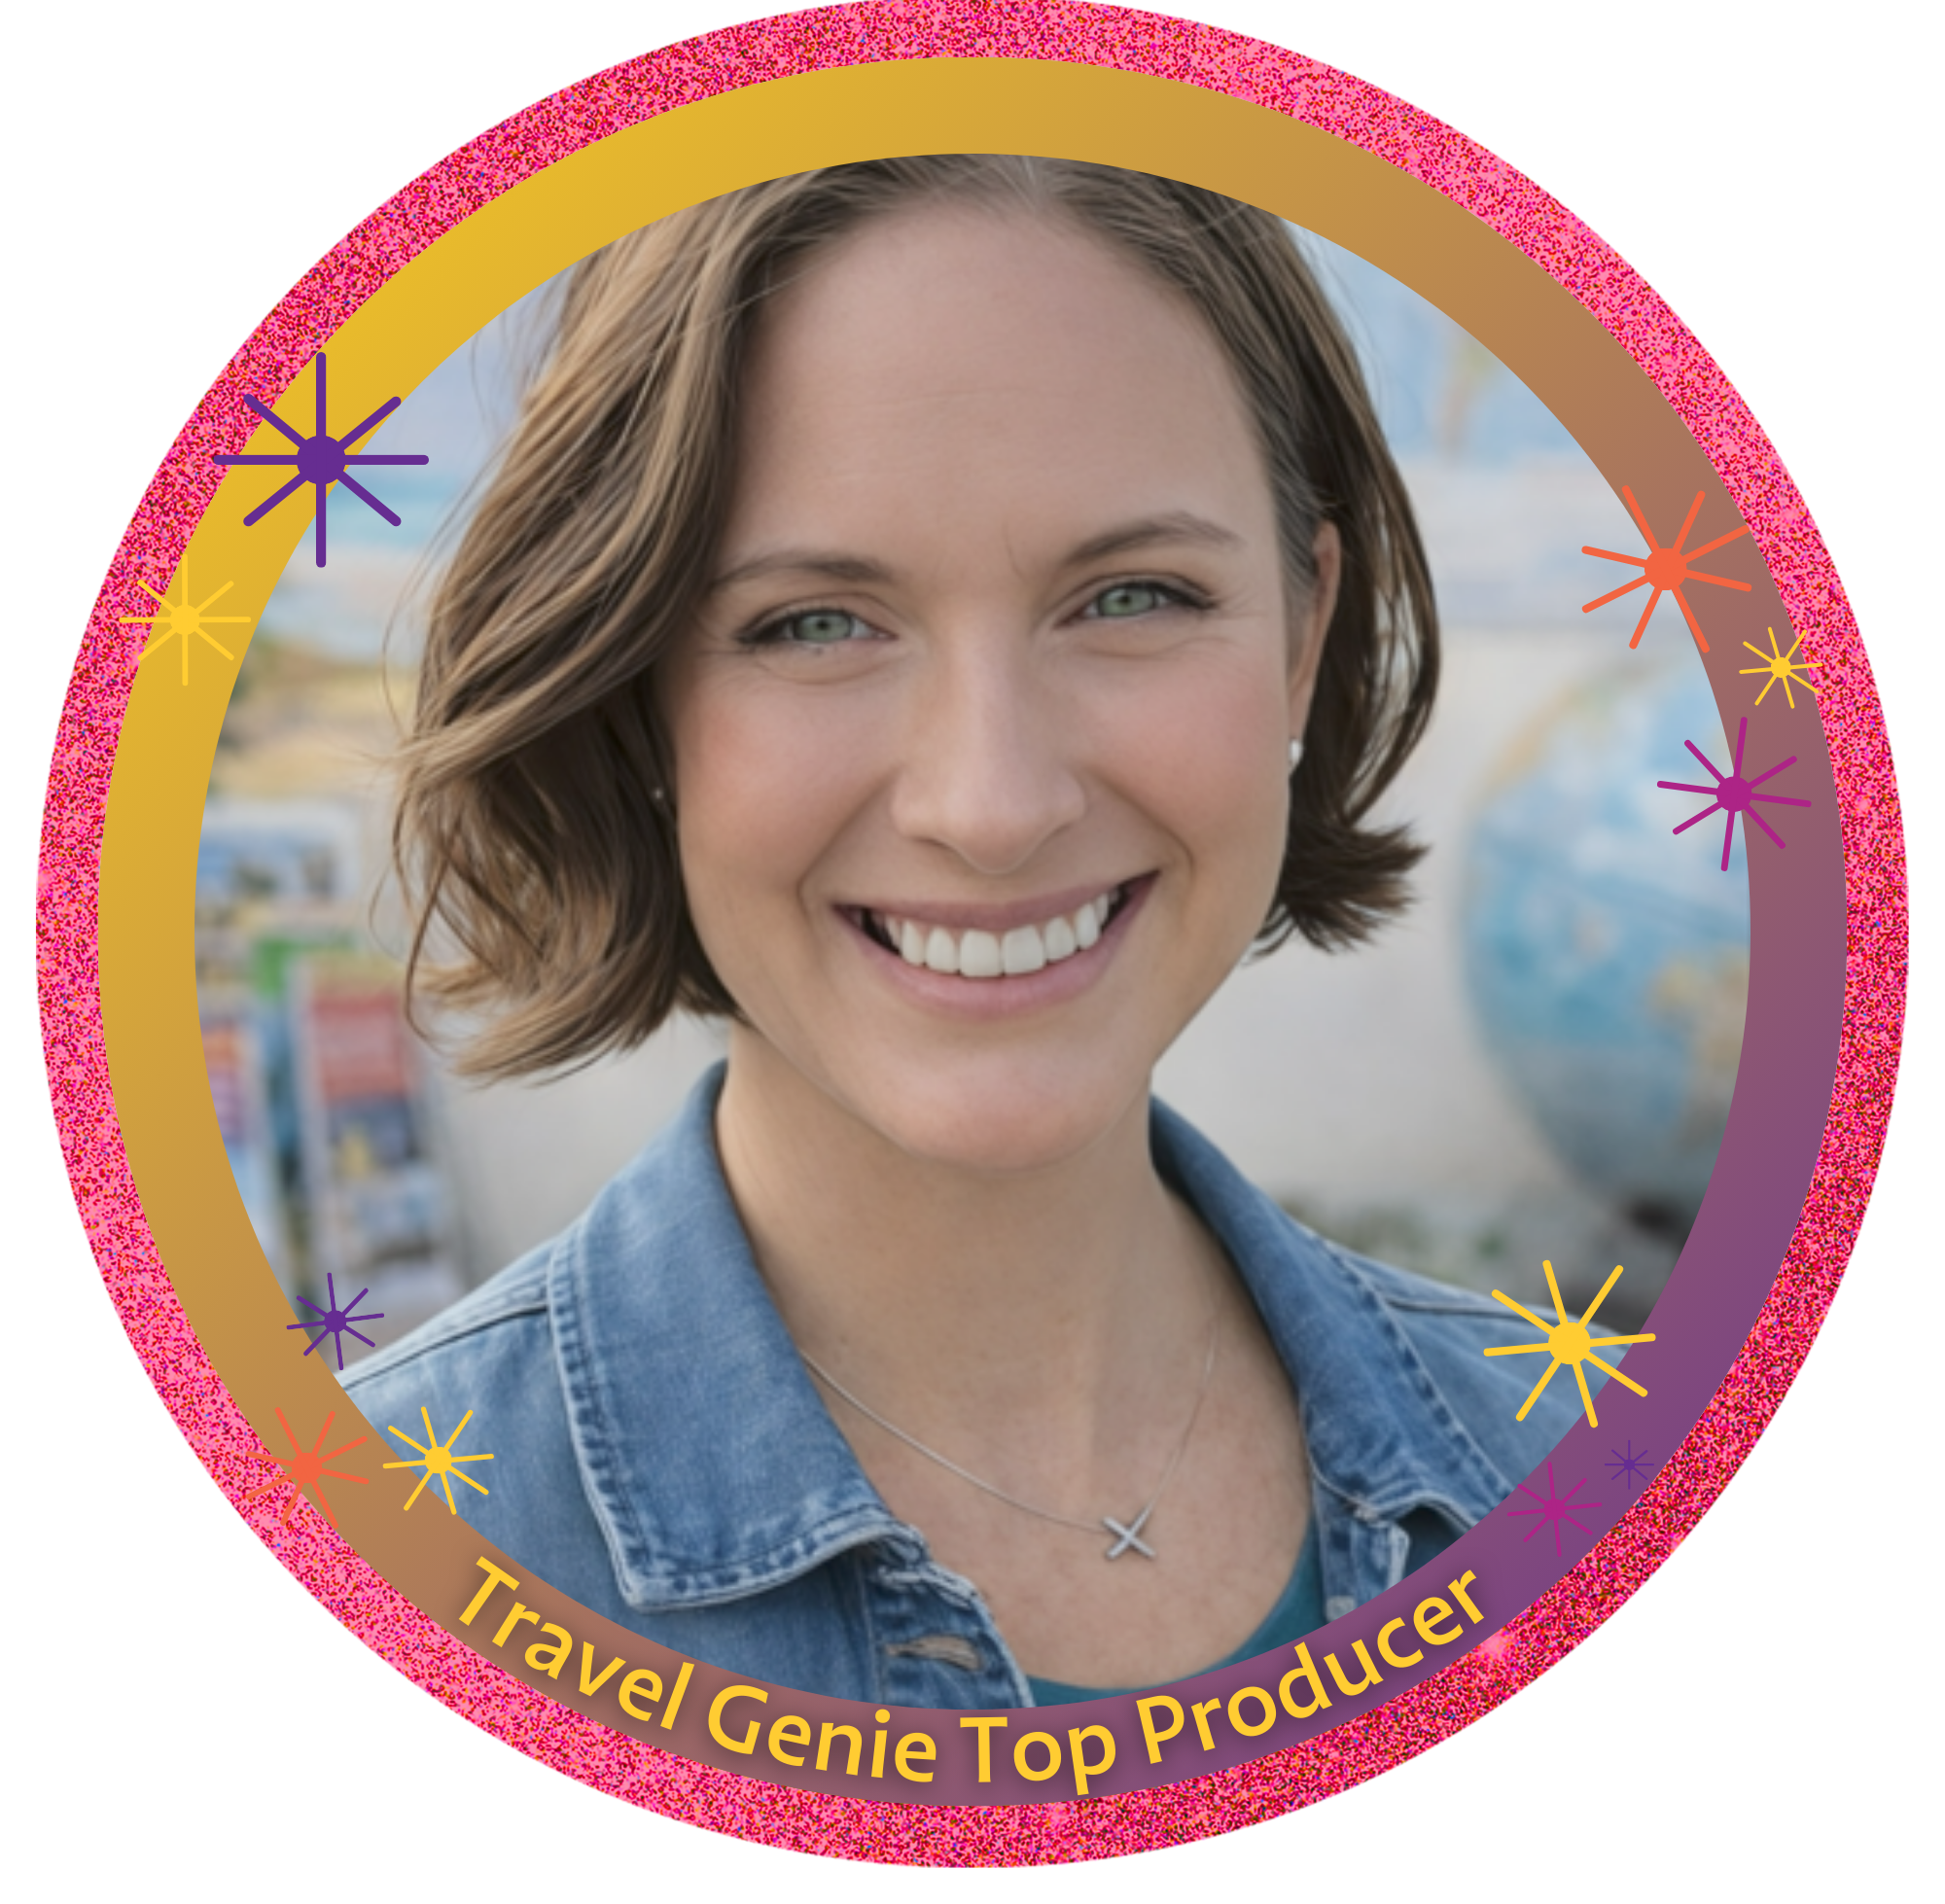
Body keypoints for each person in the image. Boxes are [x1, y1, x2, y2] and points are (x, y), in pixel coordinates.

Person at [347, 156, 1607, 1710]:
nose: (992, 802)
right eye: (814, 624)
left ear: (1302, 636)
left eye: (1134, 597)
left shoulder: (1596, 1472)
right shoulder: (372, 1568)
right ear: (637, 701)